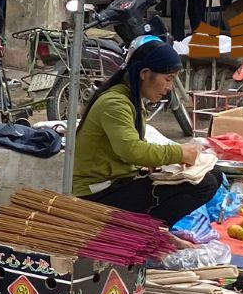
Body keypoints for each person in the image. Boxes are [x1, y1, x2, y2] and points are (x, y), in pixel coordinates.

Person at [73, 39, 221, 226]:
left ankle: (150, 231)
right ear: (145, 73)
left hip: (119, 182)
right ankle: (148, 234)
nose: (169, 88)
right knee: (204, 184)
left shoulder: (130, 99)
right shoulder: (114, 103)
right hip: (97, 193)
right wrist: (180, 153)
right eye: (168, 79)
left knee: (214, 173)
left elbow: (128, 153)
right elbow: (132, 150)